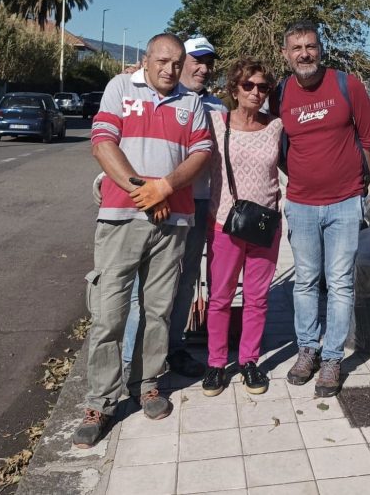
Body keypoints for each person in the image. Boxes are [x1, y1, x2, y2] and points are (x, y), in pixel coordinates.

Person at [73, 33, 212, 448]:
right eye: (163, 61)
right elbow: (102, 144)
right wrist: (144, 193)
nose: (170, 69)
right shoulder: (120, 88)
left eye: (177, 63)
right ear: (146, 60)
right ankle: (101, 400)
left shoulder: (192, 103)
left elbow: (201, 154)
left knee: (158, 309)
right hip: (120, 218)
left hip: (173, 222)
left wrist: (165, 188)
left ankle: (147, 383)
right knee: (109, 313)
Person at [275, 20, 370, 398]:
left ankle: (332, 357)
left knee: (339, 283)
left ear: (321, 49)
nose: (305, 53)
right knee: (305, 281)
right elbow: (280, 146)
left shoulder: (346, 85)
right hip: (301, 204)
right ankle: (308, 350)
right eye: (297, 48)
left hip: (344, 204)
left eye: (311, 46)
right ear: (286, 55)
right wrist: (303, 179)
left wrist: (357, 186)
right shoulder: (281, 92)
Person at [119, 36, 224, 379]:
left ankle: (173, 349)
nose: (203, 69)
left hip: (199, 202)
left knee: (186, 279)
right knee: (142, 285)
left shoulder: (218, 108)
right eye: (196, 60)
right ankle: (131, 358)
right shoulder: (144, 96)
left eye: (208, 62)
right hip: (155, 200)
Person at [201, 58, 283, 396]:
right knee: (219, 298)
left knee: (257, 298)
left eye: (262, 87)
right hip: (225, 223)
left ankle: (250, 361)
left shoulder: (276, 126)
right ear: (234, 88)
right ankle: (217, 364)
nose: (255, 92)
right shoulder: (216, 123)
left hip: (265, 225)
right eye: (248, 85)